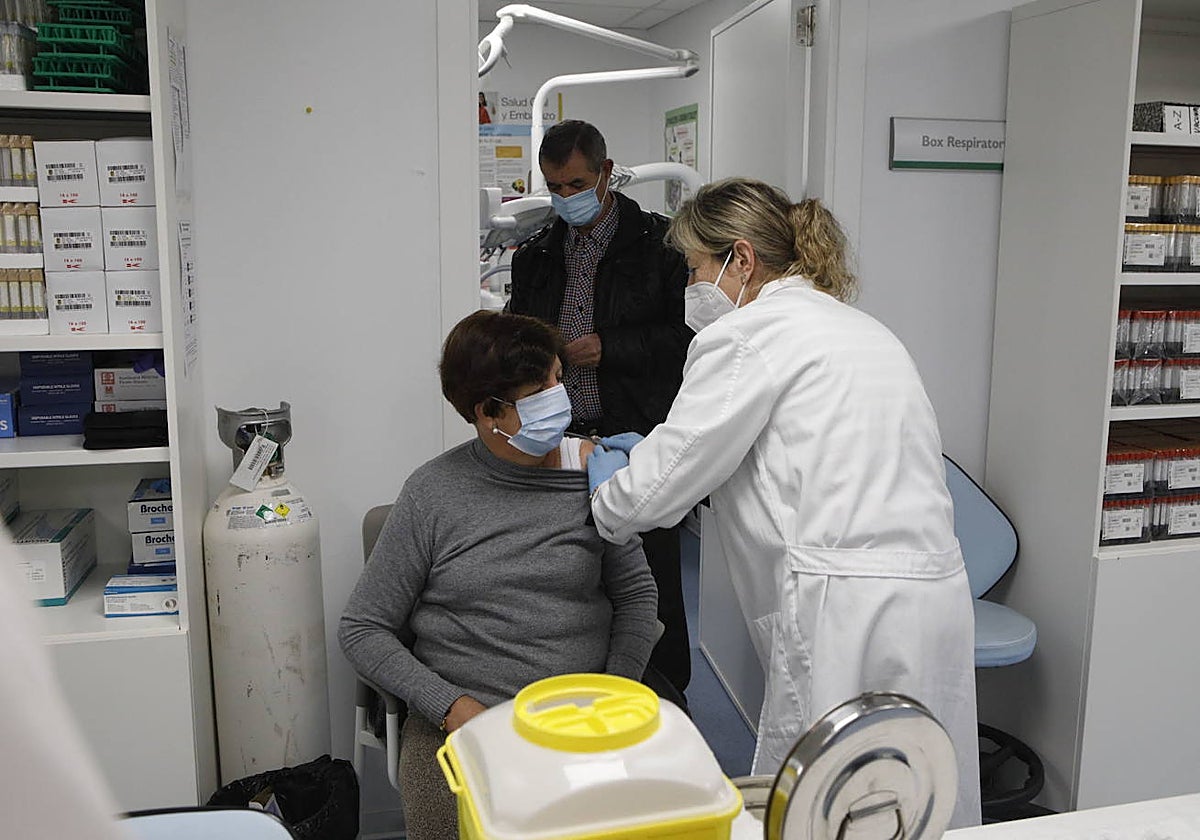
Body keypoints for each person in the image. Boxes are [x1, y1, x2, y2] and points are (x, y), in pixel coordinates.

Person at [587, 178, 982, 828]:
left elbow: (648, 498)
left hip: (843, 609)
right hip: (931, 592)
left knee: (823, 807)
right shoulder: (860, 328)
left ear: (741, 259)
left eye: (695, 268)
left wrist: (609, 482)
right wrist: (657, 451)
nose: (692, 286)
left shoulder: (746, 337)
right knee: (922, 792)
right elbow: (788, 456)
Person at [338, 310, 658, 840]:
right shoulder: (432, 495)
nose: (561, 397)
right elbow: (362, 628)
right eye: (540, 390)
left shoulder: (593, 475)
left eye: (559, 378)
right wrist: (452, 708)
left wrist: (615, 690)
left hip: (585, 712)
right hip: (467, 721)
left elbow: (638, 598)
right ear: (488, 413)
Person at [507, 119, 693, 697]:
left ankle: (666, 697)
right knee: (571, 578)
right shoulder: (536, 253)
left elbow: (687, 338)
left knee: (651, 579)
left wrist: (608, 349)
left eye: (577, 184)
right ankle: (579, 696)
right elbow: (517, 336)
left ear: (606, 174)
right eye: (555, 187)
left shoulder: (659, 247)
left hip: (633, 435)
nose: (566, 198)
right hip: (560, 438)